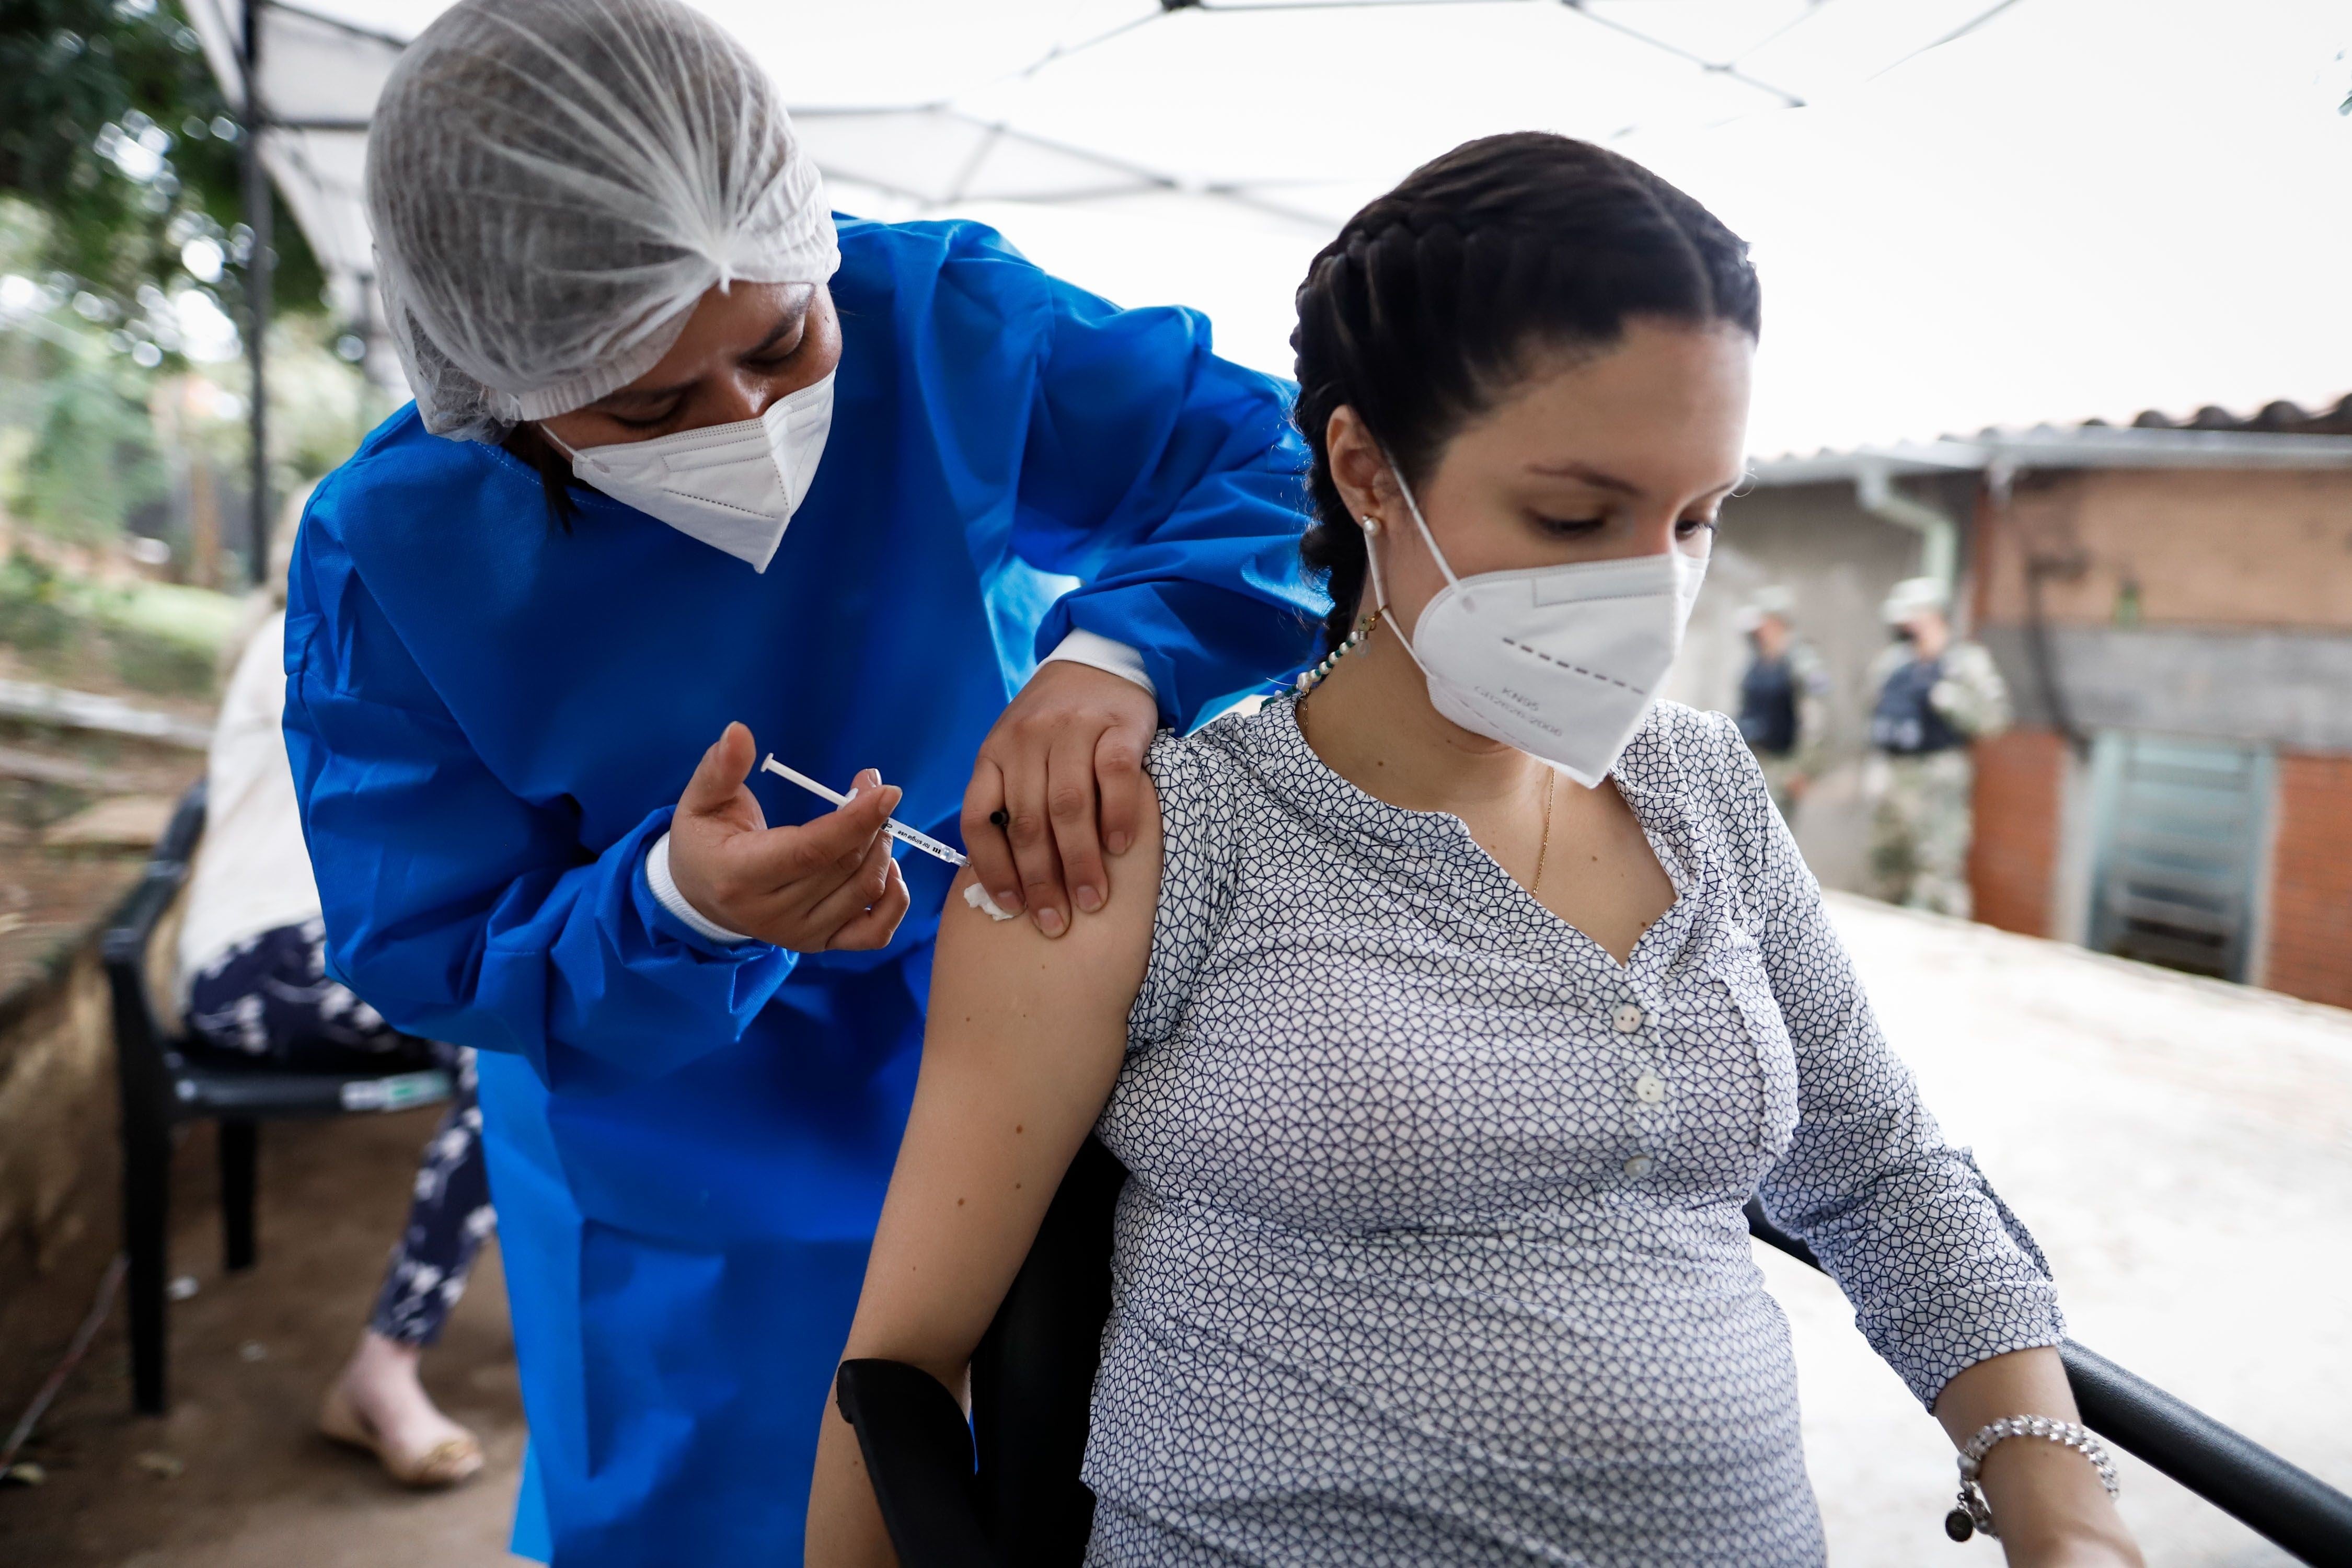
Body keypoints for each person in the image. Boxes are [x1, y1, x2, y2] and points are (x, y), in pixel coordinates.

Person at [810, 135, 2143, 1568]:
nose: (1650, 586)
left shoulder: (1703, 795)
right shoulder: (1153, 842)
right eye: (1573, 517)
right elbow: (899, 1369)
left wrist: (2056, 1501)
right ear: (1365, 469)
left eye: (1694, 519)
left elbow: (1879, 1176)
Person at [279, 0, 1321, 1560]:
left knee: (1063, 1490)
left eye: (781, 345)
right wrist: (676, 907)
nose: (752, 425)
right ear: (496, 379)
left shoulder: (936, 321)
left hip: (1022, 1041)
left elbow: (1291, 466)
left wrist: (1120, 659)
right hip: (683, 1170)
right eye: (648, 406)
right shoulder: (396, 552)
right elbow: (427, 938)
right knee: (723, 1518)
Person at [176, 516, 491, 1490]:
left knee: (523, 1019)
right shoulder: (320, 640)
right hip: (259, 965)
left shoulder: (317, 636)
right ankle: (382, 1371)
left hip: (311, 956)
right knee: (508, 1044)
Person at [1865, 575, 2011, 917]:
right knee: (1886, 870)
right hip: (1894, 777)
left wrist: (1952, 701)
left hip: (1938, 779)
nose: (1902, 625)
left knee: (1937, 879)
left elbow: (1995, 721)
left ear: (1931, 617)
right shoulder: (1892, 663)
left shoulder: (1966, 663)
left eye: (1909, 617)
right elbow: (1873, 710)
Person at [1733, 583, 1829, 820]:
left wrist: (1802, 770)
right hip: (1752, 762)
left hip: (1782, 767)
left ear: (1775, 623)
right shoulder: (1756, 663)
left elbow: (1816, 721)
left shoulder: (1800, 664)